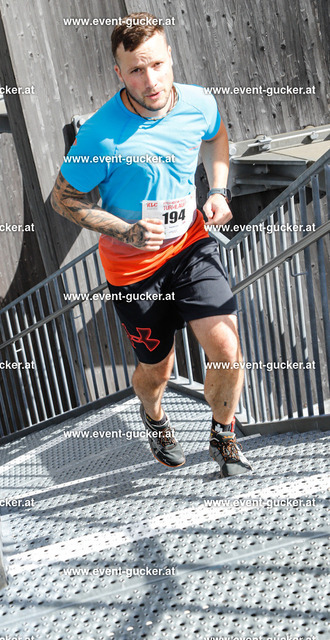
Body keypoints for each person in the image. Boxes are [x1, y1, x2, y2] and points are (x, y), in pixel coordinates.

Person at [51, 12, 253, 477]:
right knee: (157, 371)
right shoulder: (99, 135)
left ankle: (223, 434)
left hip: (190, 246)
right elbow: (64, 198)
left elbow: (216, 135)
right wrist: (126, 232)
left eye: (157, 65)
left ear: (170, 59)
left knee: (226, 348)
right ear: (119, 73)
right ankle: (155, 416)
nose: (151, 80)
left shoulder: (197, 102)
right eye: (137, 70)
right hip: (134, 270)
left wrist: (218, 190)